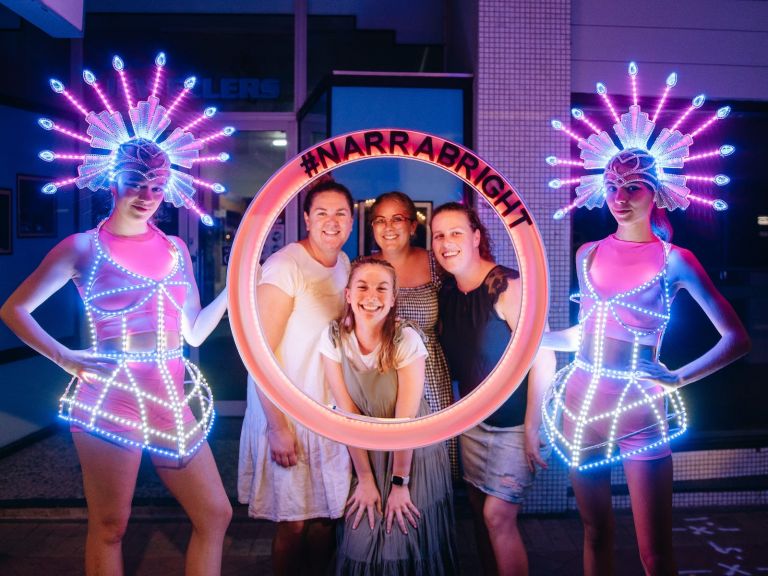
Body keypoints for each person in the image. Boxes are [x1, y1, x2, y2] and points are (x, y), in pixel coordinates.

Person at [1, 54, 233, 575]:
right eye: (137, 181)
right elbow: (13, 310)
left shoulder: (176, 247)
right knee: (111, 525)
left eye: (158, 184)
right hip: (111, 397)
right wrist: (65, 357)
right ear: (113, 179)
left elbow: (193, 330)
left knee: (215, 513)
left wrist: (235, 291)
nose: (148, 194)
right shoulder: (82, 248)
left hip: (172, 395)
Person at [542, 63, 751, 575]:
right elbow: (581, 333)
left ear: (656, 191)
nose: (620, 195)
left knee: (655, 552)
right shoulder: (587, 253)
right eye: (613, 185)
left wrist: (677, 377)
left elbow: (736, 338)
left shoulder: (675, 259)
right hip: (579, 401)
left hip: (641, 406)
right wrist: (529, 338)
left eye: (634, 185)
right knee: (593, 533)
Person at [432, 202, 556, 576]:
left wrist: (533, 428)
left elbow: (544, 357)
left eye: (456, 233)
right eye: (439, 235)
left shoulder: (508, 285)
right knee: (478, 509)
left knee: (497, 515)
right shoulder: (447, 296)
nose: (446, 242)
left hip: (514, 425)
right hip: (472, 422)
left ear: (476, 237)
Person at [237, 180, 355, 575]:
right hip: (287, 412)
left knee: (326, 516)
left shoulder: (344, 264)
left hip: (327, 412)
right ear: (306, 218)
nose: (332, 221)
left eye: (341, 212)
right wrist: (277, 426)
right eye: (322, 212)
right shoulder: (285, 266)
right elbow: (258, 352)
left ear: (352, 220)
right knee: (294, 522)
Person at [320, 257, 458, 575]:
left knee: (401, 539)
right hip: (364, 449)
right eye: (363, 286)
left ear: (394, 298)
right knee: (362, 535)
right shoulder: (332, 338)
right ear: (348, 294)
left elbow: (405, 424)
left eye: (382, 288)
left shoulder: (406, 339)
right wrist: (365, 479)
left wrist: (399, 483)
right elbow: (347, 415)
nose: (372, 295)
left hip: (410, 455)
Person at [368, 191, 457, 477]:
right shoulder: (363, 268)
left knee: (429, 467)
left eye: (397, 219)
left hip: (429, 375)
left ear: (413, 226)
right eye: (380, 220)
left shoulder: (437, 264)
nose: (389, 227)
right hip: (380, 376)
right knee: (385, 463)